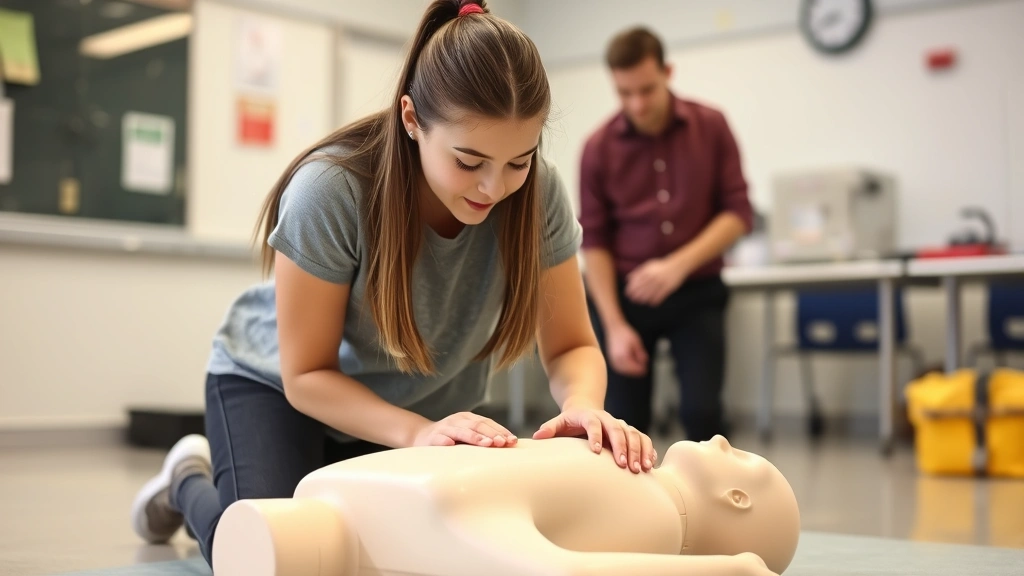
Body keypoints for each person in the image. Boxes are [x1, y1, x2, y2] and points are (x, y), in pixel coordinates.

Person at [129, 1, 655, 567]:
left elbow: (573, 346)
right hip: (281, 389)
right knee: (276, 552)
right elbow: (306, 374)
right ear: (411, 119)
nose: (493, 188)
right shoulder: (329, 190)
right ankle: (187, 478)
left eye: (518, 162)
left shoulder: (538, 194)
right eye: (469, 160)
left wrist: (582, 405)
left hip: (423, 412)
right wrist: (418, 435)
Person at [212, 435, 799, 576]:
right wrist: (726, 570)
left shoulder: (662, 523)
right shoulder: (644, 486)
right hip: (383, 452)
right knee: (242, 511)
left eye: (743, 458)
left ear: (737, 500)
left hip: (368, 493)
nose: (723, 441)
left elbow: (551, 568)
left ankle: (186, 482)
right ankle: (188, 482)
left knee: (237, 518)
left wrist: (730, 567)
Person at [579, 26, 754, 441]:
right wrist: (615, 326)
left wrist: (676, 266)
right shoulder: (597, 148)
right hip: (626, 298)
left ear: (667, 72)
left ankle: (706, 504)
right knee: (622, 421)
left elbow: (738, 212)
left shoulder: (711, 126)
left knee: (702, 413)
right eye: (624, 93)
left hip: (696, 291)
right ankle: (639, 508)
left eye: (646, 90)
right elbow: (596, 243)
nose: (637, 104)